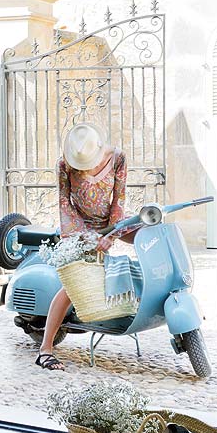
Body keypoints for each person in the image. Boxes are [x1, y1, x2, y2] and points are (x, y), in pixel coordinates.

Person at [35, 122, 131, 372]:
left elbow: (119, 200)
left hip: (109, 225)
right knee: (74, 284)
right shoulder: (64, 164)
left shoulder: (118, 158)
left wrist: (112, 234)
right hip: (78, 229)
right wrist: (86, 237)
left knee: (148, 232)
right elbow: (64, 204)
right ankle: (45, 349)